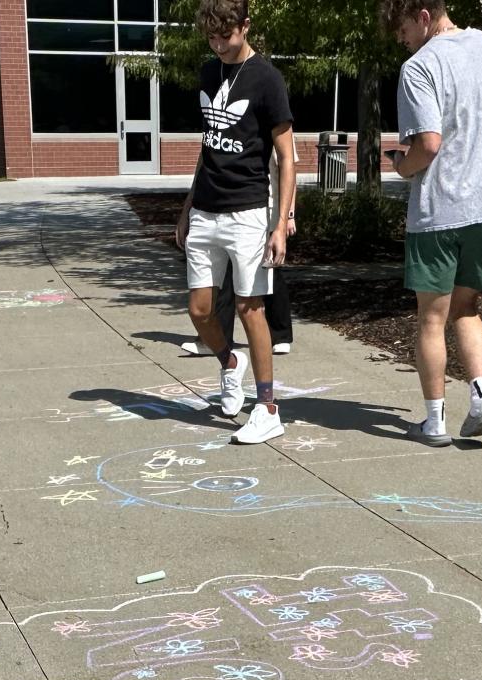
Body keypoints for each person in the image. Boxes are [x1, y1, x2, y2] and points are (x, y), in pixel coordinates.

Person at [384, 0, 482, 445]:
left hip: (440, 212)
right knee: (467, 309)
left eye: (403, 30)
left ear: (424, 17)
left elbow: (428, 145)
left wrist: (401, 165)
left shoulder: (419, 67)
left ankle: (434, 423)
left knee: (431, 320)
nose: (403, 39)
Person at [173, 0, 296, 446]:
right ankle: (229, 362)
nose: (219, 45)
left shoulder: (267, 78)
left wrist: (280, 222)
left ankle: (267, 409)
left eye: (226, 35)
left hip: (248, 212)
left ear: (245, 26)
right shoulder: (209, 73)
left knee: (251, 309)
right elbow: (209, 148)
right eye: (211, 37)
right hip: (206, 209)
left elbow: (286, 158)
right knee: (200, 310)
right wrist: (188, 207)